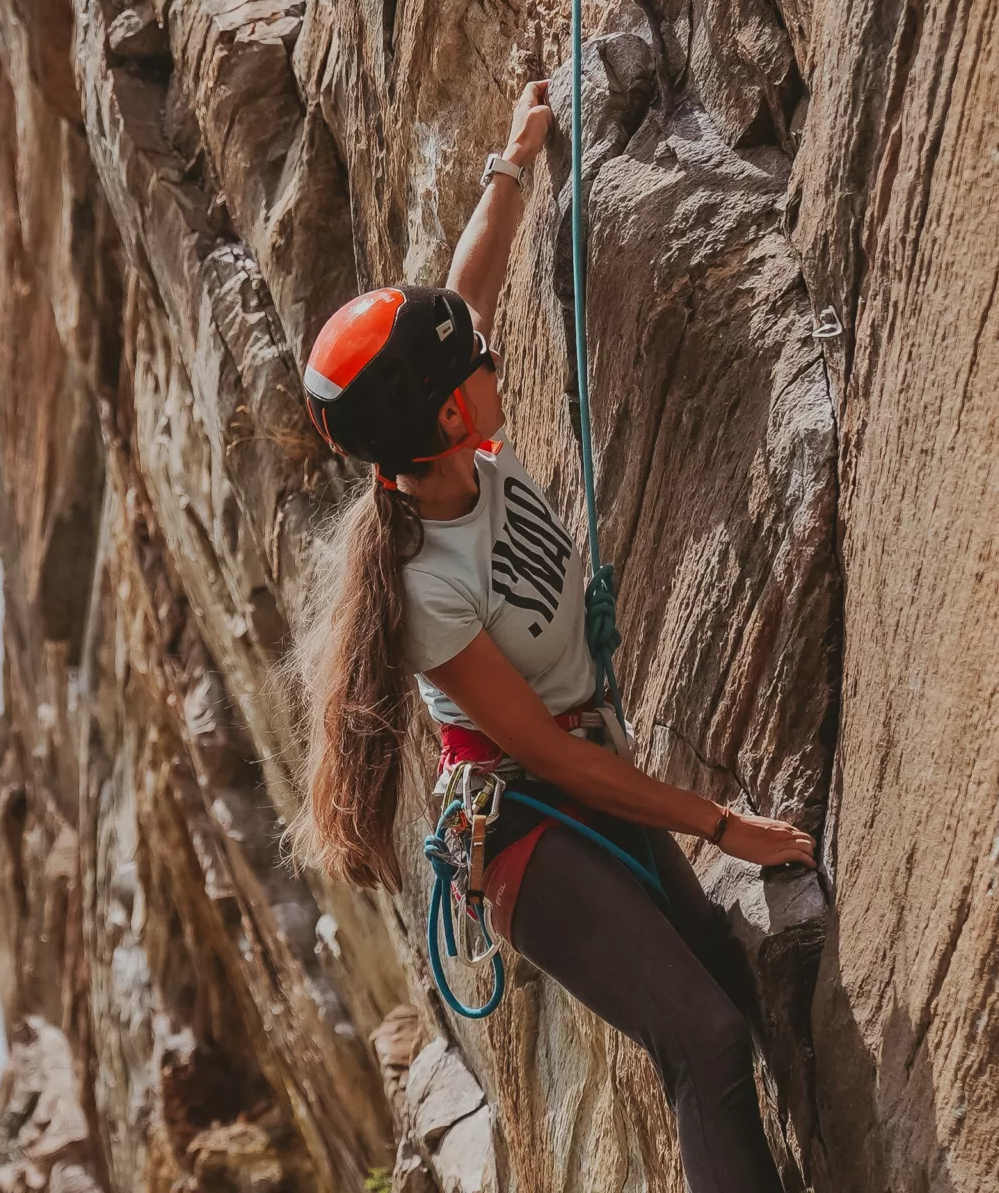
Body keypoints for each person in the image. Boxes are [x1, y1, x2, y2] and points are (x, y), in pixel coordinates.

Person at [287, 80, 815, 1193]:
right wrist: (723, 826)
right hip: (525, 825)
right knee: (704, 1039)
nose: (493, 355)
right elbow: (559, 756)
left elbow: (465, 290)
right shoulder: (429, 587)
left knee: (728, 977)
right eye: (471, 361)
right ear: (442, 414)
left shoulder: (442, 441)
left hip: (577, 774)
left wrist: (513, 160)